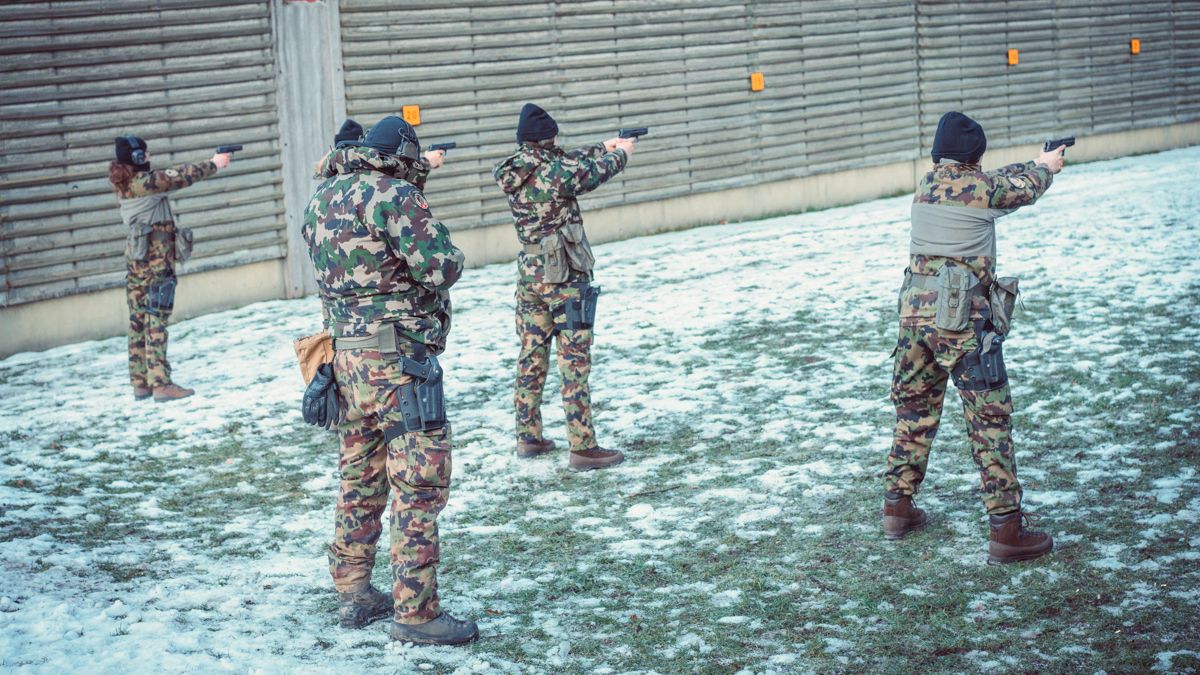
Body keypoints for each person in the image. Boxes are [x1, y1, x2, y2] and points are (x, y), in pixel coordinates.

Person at [301, 114, 477, 645]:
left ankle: (353, 591)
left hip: (345, 363)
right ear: (404, 154)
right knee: (418, 486)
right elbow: (442, 266)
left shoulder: (322, 198)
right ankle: (416, 614)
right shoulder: (397, 195)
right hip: (398, 363)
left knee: (359, 477)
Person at [882, 111, 1066, 564]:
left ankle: (897, 509)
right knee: (990, 422)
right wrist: (1046, 168)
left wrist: (1031, 160)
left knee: (913, 414)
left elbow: (987, 181)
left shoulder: (927, 185)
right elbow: (1023, 189)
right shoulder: (986, 191)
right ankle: (1006, 531)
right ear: (976, 155)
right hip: (964, 325)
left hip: (914, 322)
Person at [493, 103, 635, 472]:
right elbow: (586, 174)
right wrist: (620, 156)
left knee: (531, 355)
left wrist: (604, 145)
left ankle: (528, 436)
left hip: (530, 275)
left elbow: (569, 161)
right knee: (574, 361)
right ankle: (583, 447)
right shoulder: (555, 173)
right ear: (546, 139)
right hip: (565, 277)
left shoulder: (521, 168)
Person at [109, 136, 231, 402]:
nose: (150, 154)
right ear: (138, 158)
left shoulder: (128, 183)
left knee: (138, 320)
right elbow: (178, 177)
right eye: (145, 152)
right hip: (156, 263)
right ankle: (161, 384)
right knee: (156, 320)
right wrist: (214, 164)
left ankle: (140, 381)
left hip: (137, 263)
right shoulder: (146, 183)